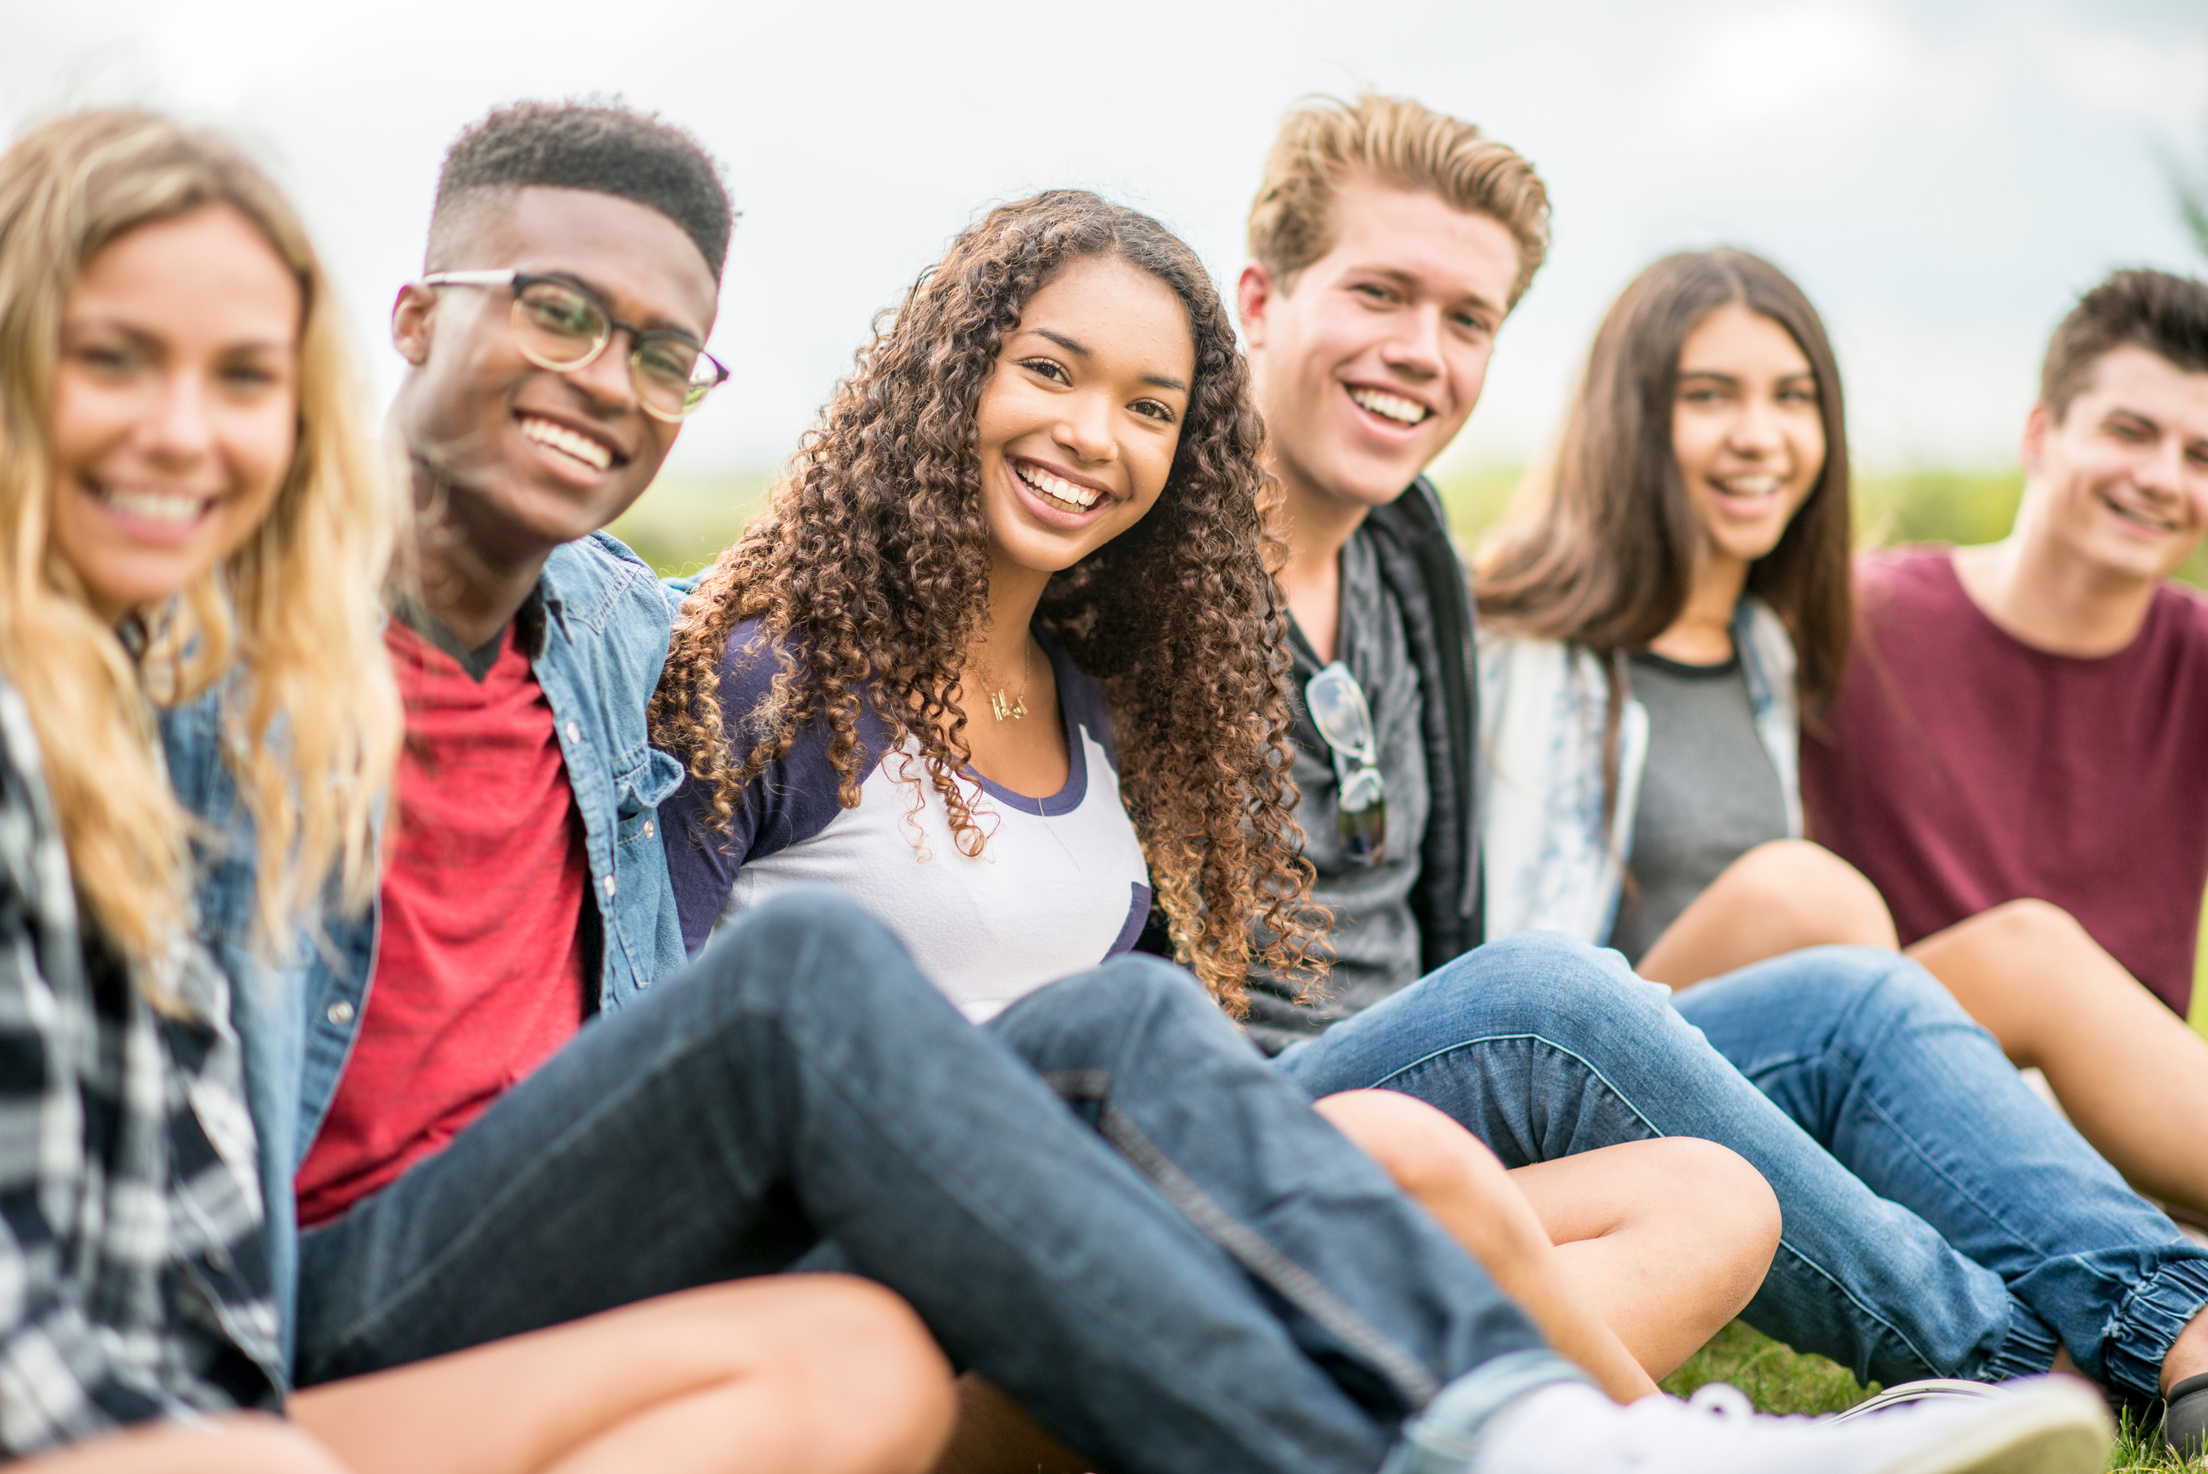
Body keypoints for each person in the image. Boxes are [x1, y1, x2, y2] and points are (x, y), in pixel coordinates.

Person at [158, 96, 2121, 1474]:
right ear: (405, 321)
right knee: (844, 998)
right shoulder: (336, 624)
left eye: (661, 350)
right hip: (408, 1269)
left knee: (1189, 1036)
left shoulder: (595, 637)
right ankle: (1596, 1431)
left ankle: (1598, 1431)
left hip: (730, 1216)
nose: (604, 375)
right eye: (553, 314)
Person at [651, 188, 1777, 1410]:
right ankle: (1660, 1446)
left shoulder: (1102, 704)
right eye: (1049, 371)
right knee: (1403, 1159)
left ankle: (1519, 1432)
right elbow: (648, 1053)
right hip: (884, 1288)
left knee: (1709, 1199)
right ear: (947, 377)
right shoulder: (777, 677)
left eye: (1150, 409)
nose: (1094, 433)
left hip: (1114, 1220)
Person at [1225, 91, 2208, 1454]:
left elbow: (1436, 917)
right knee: (1566, 981)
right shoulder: (1175, 550)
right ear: (1260, 299)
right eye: (1381, 292)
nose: (1422, 351)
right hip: (1256, 1102)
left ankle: (2180, 1322)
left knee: (1854, 996)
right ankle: (2016, 1355)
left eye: (1468, 320)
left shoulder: (1406, 549)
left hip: (1449, 1076)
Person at [0, 106, 956, 1474]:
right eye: (115, 359)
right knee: (803, 983)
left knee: (886, 1333)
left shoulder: (608, 629)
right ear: (412, 325)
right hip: (282, 1339)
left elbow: (816, 614)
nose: (182, 434)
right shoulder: (195, 672)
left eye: (244, 383)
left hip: (265, 1357)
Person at [1471, 250, 2208, 1226]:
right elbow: (1508, 949)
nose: (1760, 435)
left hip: (1813, 1064)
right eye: (1709, 394)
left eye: (1792, 398)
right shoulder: (1542, 646)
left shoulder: (1769, 645)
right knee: (1829, 902)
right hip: (1612, 1072)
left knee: (1967, 953)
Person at [1800, 268, 2208, 1227]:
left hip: (2120, 1125)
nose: (2161, 477)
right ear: (2040, 434)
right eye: (2129, 431)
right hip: (1894, 1097)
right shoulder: (1858, 617)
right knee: (2031, 948)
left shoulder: (2196, 660)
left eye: (2201, 454)